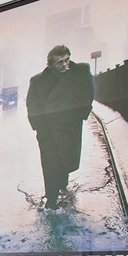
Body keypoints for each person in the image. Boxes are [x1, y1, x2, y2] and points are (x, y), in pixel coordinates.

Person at [25, 44, 94, 210]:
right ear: (50, 65)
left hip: (70, 126)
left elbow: (89, 92)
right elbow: (31, 104)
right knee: (50, 163)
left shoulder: (81, 71)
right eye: (59, 63)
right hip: (48, 129)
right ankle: (51, 197)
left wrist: (80, 115)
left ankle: (63, 183)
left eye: (67, 60)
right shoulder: (38, 80)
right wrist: (39, 127)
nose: (65, 65)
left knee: (66, 159)